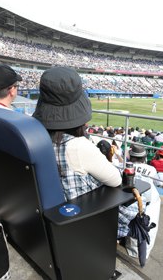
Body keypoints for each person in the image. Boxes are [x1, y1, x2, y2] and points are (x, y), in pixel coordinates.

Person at [32, 67, 138, 238]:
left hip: (49, 216)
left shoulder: (34, 138)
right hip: (83, 220)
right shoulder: (78, 145)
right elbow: (115, 180)